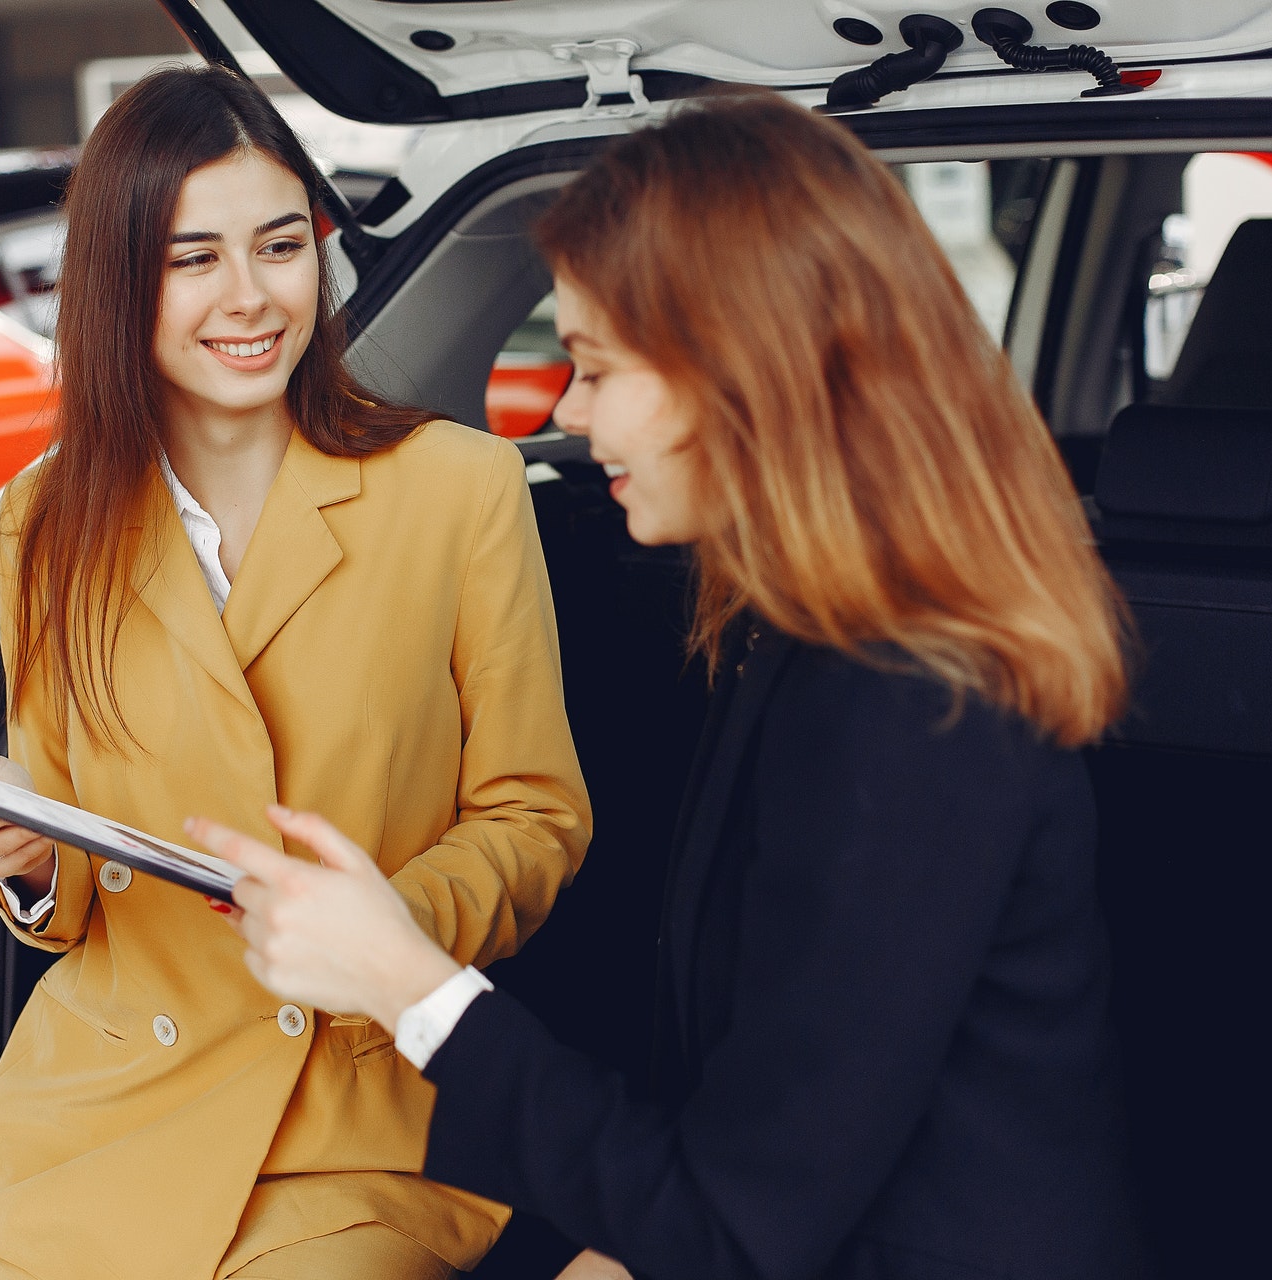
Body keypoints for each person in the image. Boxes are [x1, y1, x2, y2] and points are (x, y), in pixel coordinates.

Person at [190, 88, 1149, 1280]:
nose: (565, 412)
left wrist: (405, 981)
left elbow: (734, 1227)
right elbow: (749, 1132)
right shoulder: (793, 630)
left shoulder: (912, 707)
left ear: (743, 373)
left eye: (594, 366)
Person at [0, 68, 590, 1280]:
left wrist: (390, 930)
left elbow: (535, 816)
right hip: (100, 1114)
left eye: (280, 245)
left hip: (355, 1125)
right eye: (193, 259)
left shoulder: (457, 489)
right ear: (120, 282)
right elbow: (71, 907)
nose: (250, 296)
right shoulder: (44, 521)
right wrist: (26, 857)